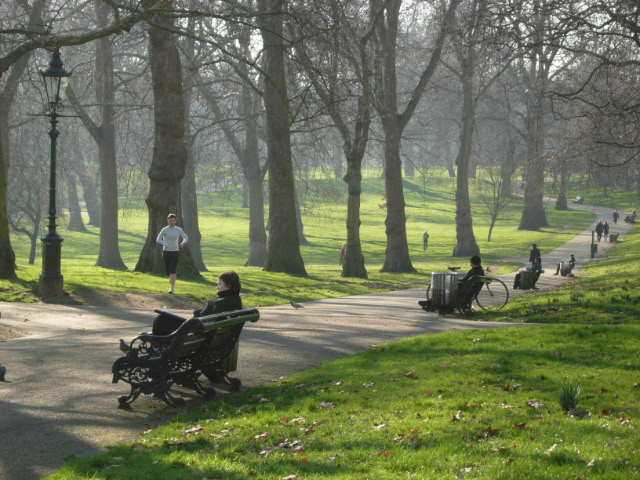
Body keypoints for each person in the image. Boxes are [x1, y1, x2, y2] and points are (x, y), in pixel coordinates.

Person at [120, 271, 243, 352]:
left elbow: (204, 322)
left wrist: (198, 313)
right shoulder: (235, 302)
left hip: (197, 339)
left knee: (162, 320)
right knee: (165, 321)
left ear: (229, 286)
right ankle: (151, 345)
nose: (217, 287)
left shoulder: (220, 304)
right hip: (206, 340)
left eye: (220, 284)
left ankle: (149, 351)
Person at [419, 255, 484, 311]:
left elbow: (465, 282)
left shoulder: (475, 272)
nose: (470, 264)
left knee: (444, 293)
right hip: (466, 293)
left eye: (471, 263)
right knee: (444, 292)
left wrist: (456, 282)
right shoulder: (479, 271)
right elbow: (466, 281)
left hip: (463, 292)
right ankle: (430, 303)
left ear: (475, 263)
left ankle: (431, 305)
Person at [156, 213, 188, 294]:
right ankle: (171, 280)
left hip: (175, 252)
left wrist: (183, 243)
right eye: (170, 221)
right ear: (168, 221)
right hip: (166, 252)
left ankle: (172, 288)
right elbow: (158, 239)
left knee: (172, 270)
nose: (171, 223)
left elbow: (185, 237)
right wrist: (164, 243)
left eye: (173, 221)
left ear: (175, 221)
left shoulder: (178, 229)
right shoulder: (164, 230)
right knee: (168, 271)